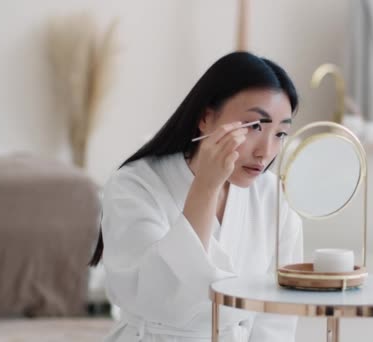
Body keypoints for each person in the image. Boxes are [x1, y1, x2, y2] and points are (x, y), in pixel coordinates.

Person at [88, 52, 303, 341]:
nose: (265, 151)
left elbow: (277, 319)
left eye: (280, 134)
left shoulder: (272, 197)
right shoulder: (135, 184)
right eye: (254, 126)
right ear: (205, 117)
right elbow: (158, 296)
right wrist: (206, 187)